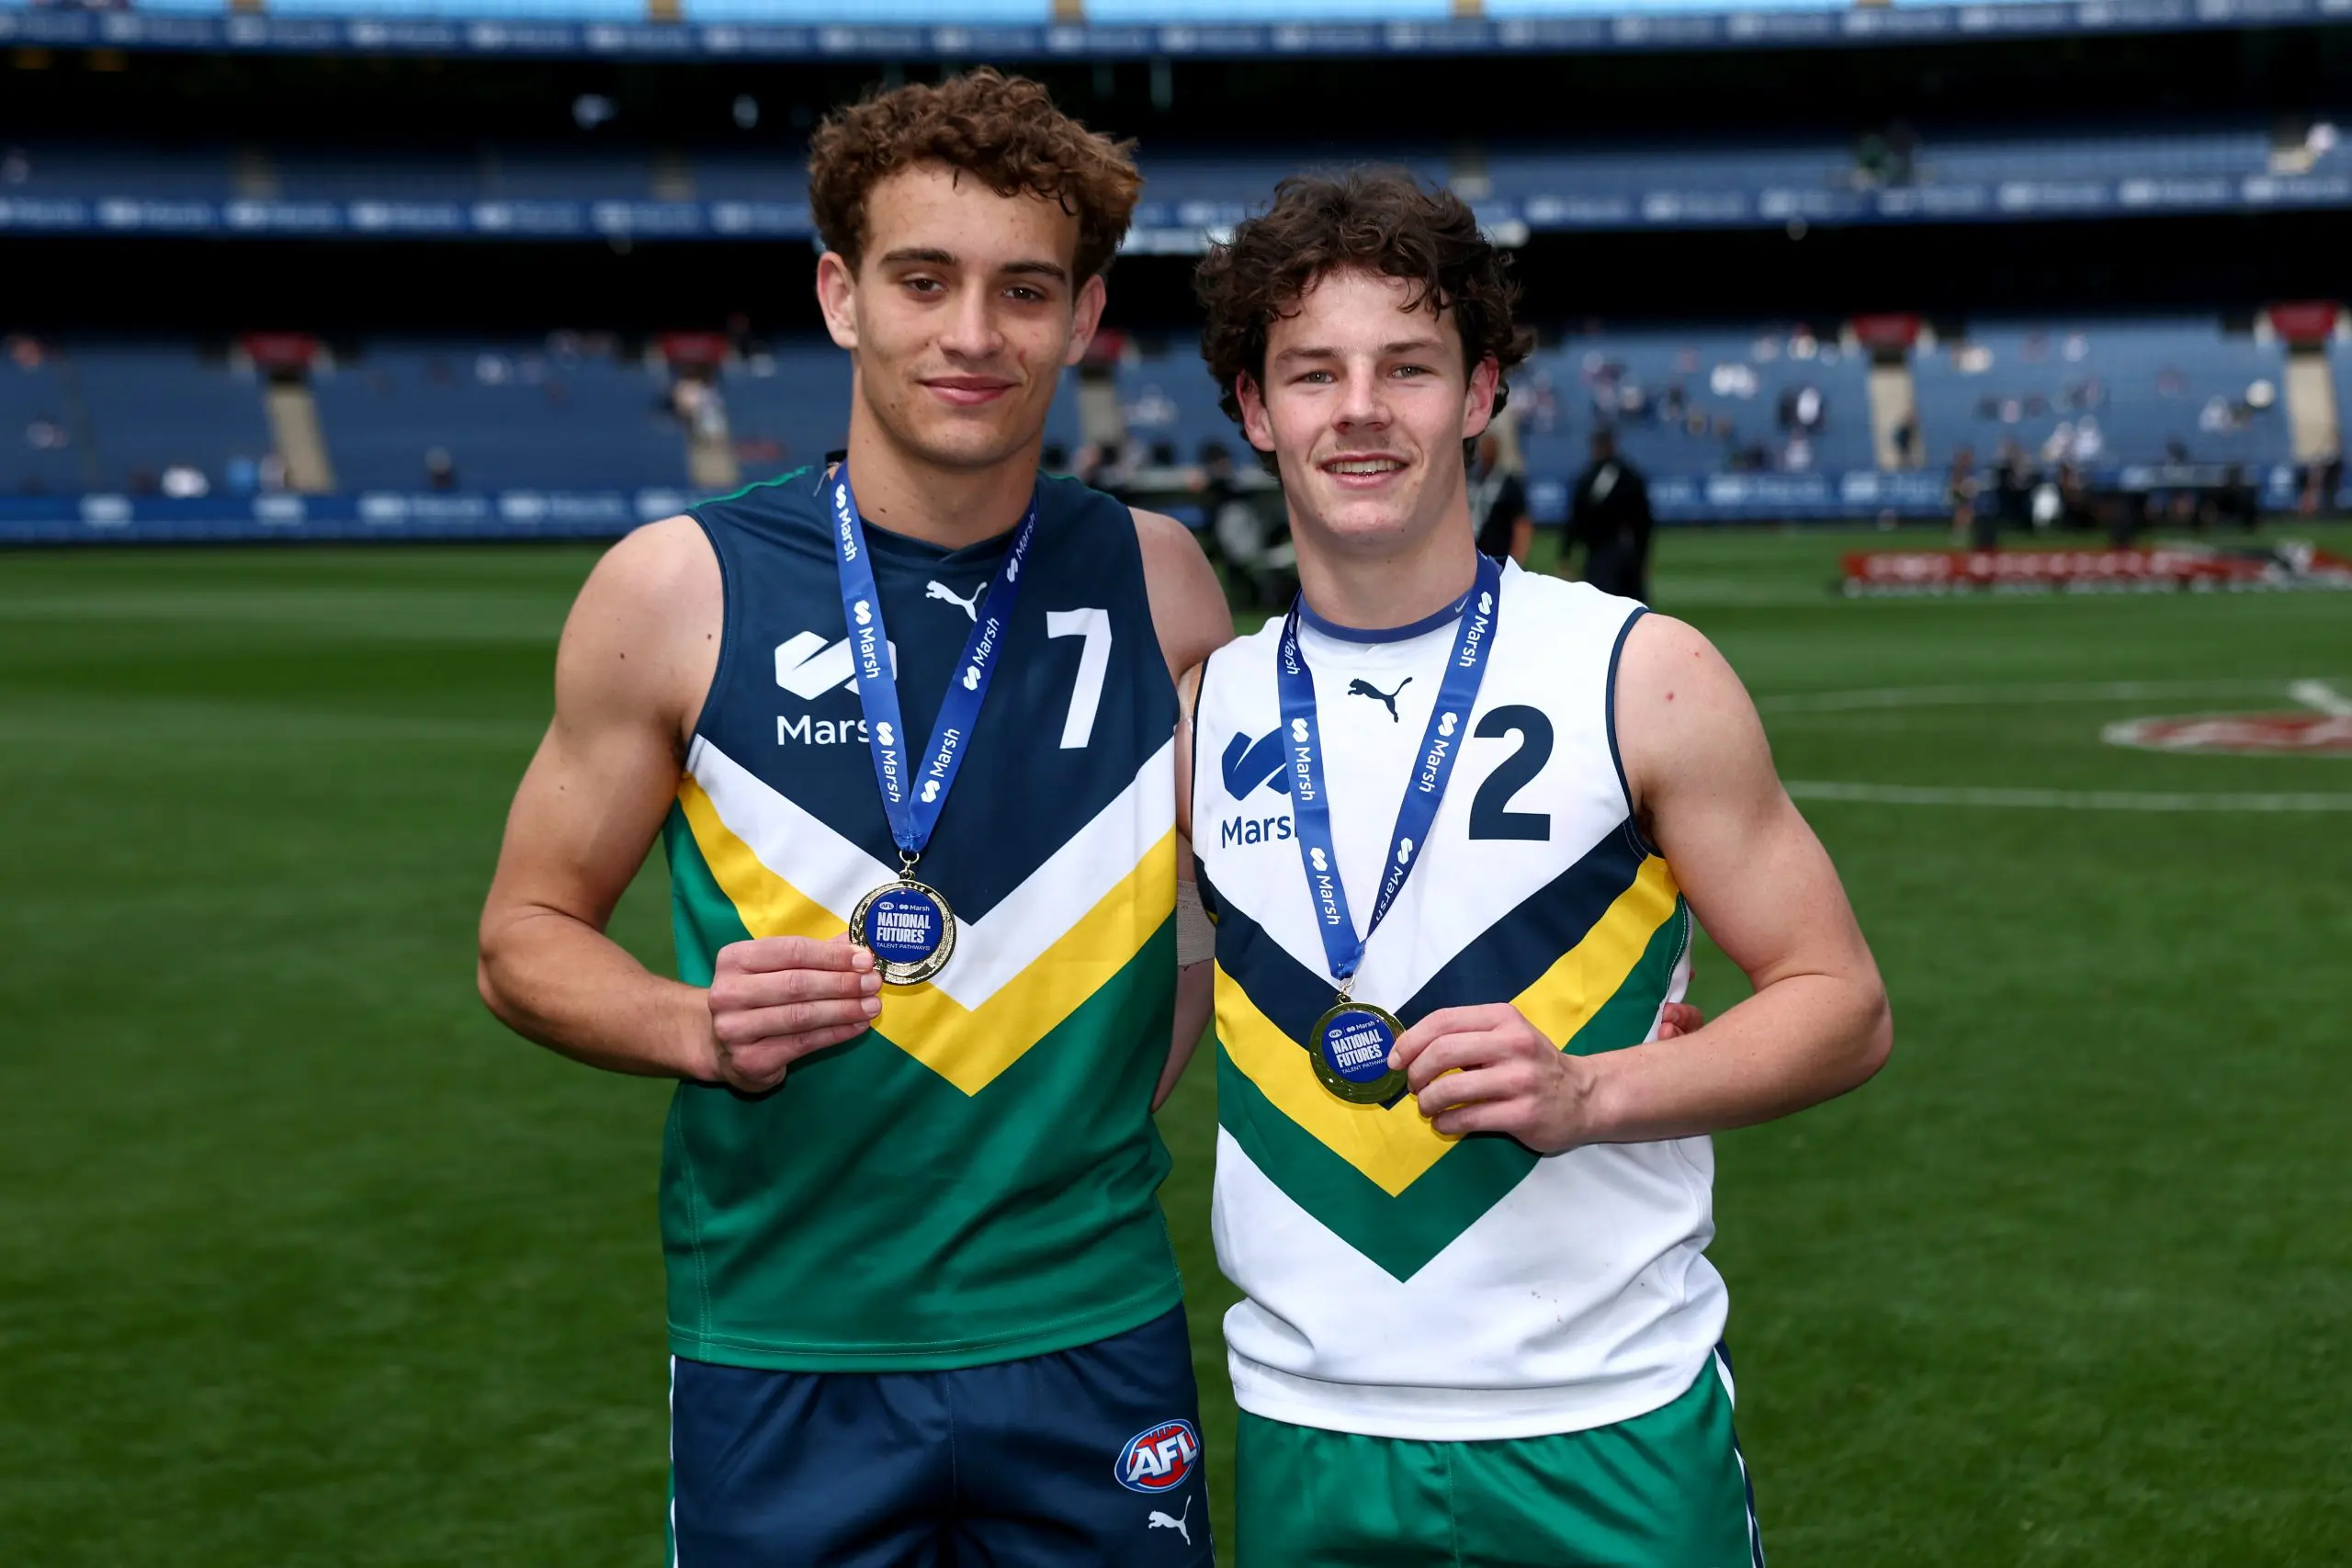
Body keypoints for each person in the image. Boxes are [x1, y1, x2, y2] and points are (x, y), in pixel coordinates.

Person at [475, 71, 1234, 1566]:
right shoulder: (676, 585)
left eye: (1026, 290)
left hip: (1089, 1327)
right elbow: (522, 937)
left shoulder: (1159, 580)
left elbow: (1208, 937)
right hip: (784, 1335)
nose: (972, 335)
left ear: (1083, 321)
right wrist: (690, 1026)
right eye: (923, 280)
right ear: (840, 295)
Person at [1183, 170, 1892, 1566]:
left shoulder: (1640, 667)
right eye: (1312, 371)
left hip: (1608, 1420)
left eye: (1409, 365)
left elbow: (1842, 1002)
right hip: (1306, 1424)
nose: (1362, 408)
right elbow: (1149, 1021)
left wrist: (1593, 1088)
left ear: (1483, 389)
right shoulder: (1206, 708)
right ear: (1258, 411)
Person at [1566, 426, 1655, 601]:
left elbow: (1576, 519)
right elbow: (1644, 522)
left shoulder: (1588, 478)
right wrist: (1643, 555)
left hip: (1601, 555)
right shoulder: (1630, 475)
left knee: (1601, 604)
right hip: (1625, 554)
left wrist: (1567, 552)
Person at [1469, 427, 1532, 564]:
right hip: (1470, 557)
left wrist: (1517, 558)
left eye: (1490, 447)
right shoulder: (1469, 480)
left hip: (1498, 557)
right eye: (1484, 446)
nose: (1487, 451)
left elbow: (1521, 523)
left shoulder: (1509, 484)